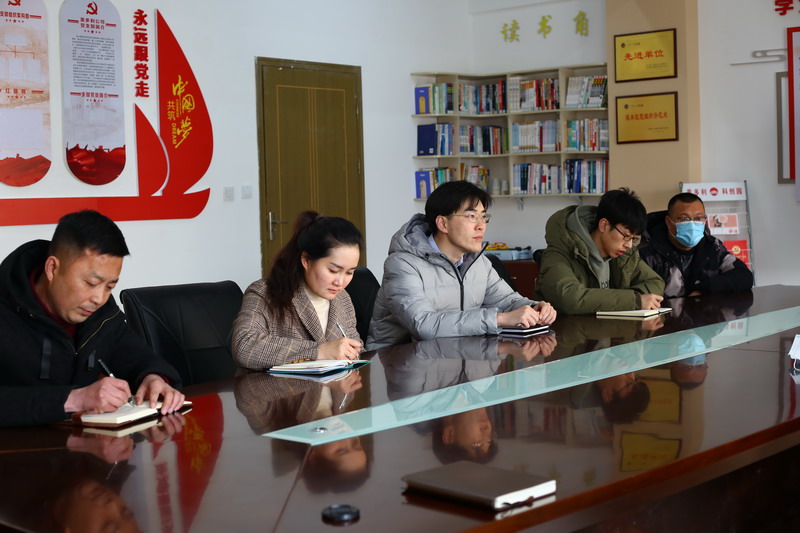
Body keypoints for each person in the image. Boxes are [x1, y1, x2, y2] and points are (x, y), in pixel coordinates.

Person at [0, 210, 184, 428]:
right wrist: (74, 399)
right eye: (90, 283)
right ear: (52, 268)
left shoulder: (102, 314)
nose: (99, 298)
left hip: (82, 443)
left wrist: (154, 378)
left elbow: (136, 356)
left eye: (110, 286)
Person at [367, 180, 556, 350]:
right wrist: (498, 319)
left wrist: (534, 308)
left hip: (459, 357)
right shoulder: (402, 264)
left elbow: (507, 300)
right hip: (398, 364)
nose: (481, 225)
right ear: (443, 223)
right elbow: (424, 325)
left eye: (484, 217)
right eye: (471, 216)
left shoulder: (478, 262)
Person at [233, 211, 363, 369]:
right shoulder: (264, 292)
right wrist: (318, 351)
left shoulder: (342, 298)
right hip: (276, 385)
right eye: (333, 270)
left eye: (349, 272)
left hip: (337, 383)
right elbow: (244, 345)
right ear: (306, 260)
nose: (340, 282)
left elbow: (356, 349)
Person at [535, 187, 665, 314]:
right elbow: (570, 298)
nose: (629, 245)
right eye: (626, 236)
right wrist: (634, 301)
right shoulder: (558, 252)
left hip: (609, 327)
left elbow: (655, 282)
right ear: (604, 225)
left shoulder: (623, 254)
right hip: (564, 328)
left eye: (633, 238)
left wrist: (635, 300)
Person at [638, 192, 754, 299]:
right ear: (668, 222)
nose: (692, 224)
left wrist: (704, 290)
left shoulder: (712, 247)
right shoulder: (647, 253)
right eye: (684, 218)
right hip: (664, 314)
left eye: (698, 218)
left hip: (702, 313)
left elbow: (744, 276)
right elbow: (639, 295)